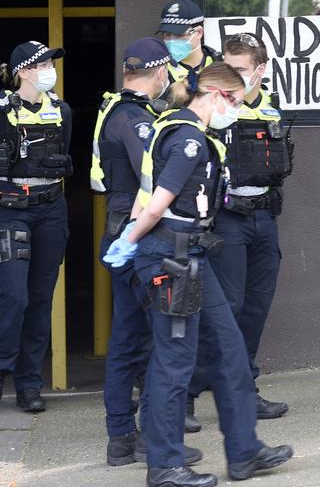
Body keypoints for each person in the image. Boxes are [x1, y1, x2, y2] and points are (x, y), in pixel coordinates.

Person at [103, 63, 292, 487]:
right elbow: (156, 203)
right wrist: (131, 240)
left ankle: (245, 451)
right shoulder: (187, 137)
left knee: (229, 350)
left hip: (191, 258)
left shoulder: (176, 128)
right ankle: (165, 465)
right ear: (217, 95)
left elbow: (145, 193)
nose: (238, 111)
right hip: (170, 258)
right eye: (237, 102)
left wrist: (134, 232)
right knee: (174, 361)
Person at [90, 39, 203, 467]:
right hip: (136, 237)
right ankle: (148, 438)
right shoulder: (133, 118)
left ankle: (124, 437)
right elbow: (153, 181)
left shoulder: (114, 110)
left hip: (123, 233)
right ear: (159, 74)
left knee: (131, 339)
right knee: (158, 341)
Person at [186, 34, 292, 429]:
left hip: (264, 218)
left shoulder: (270, 108)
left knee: (255, 308)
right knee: (221, 310)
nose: (231, 79)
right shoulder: (214, 110)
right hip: (227, 219)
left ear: (261, 70)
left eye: (241, 71)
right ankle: (188, 395)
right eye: (227, 69)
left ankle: (244, 390)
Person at [0, 41, 72, 418]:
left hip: (51, 210)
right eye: (43, 64)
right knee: (15, 297)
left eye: (51, 64)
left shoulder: (61, 111)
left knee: (41, 299)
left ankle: (29, 383)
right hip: (12, 213)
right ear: (24, 71)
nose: (50, 69)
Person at [157, 0, 221, 95]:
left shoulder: (219, 64)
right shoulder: (159, 70)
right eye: (166, 34)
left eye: (179, 34)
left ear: (199, 33)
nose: (171, 40)